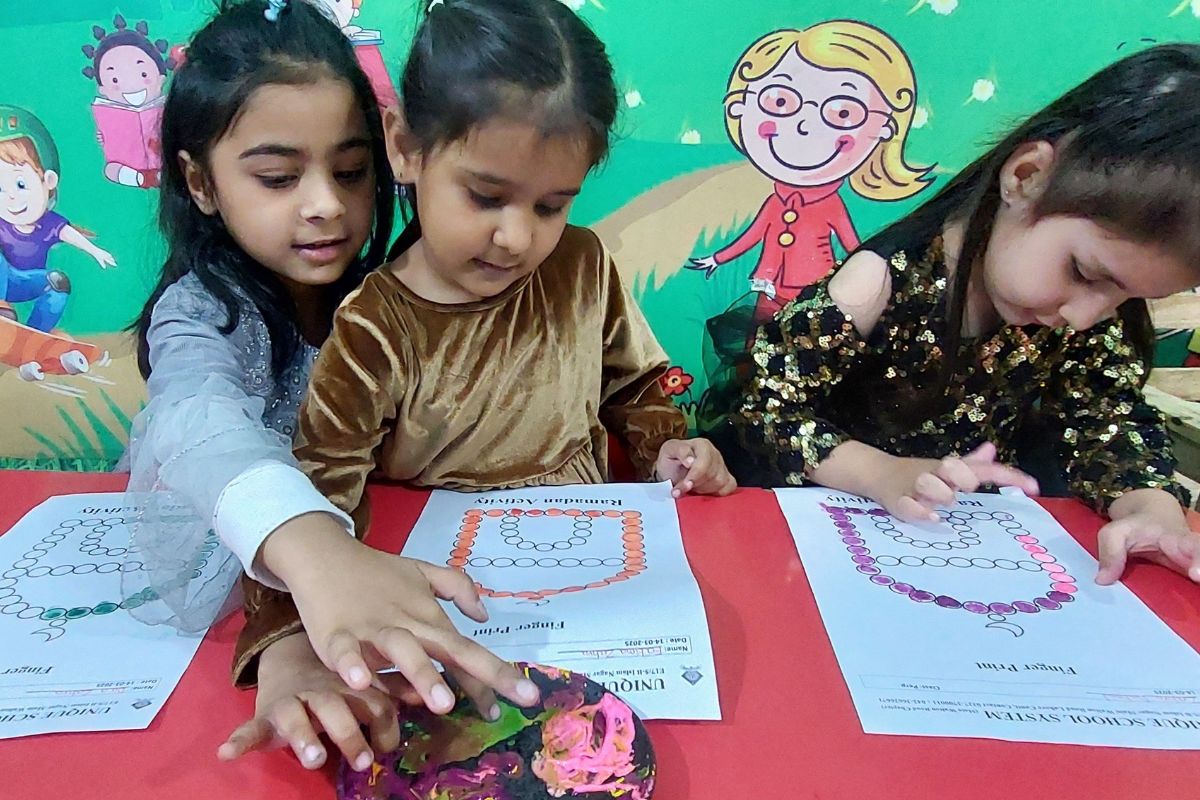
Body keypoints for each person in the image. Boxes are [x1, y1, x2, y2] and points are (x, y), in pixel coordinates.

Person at [223, 0, 736, 772]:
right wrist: (286, 639)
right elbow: (316, 495)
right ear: (406, 147)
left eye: (551, 205)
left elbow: (634, 386)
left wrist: (667, 448)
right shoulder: (376, 325)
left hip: (593, 586)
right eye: (486, 197)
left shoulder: (581, 266)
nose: (518, 236)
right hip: (443, 598)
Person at [122, 0, 532, 773]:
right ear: (200, 181)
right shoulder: (200, 314)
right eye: (278, 177)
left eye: (350, 171)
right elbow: (194, 423)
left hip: (391, 554)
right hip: (244, 585)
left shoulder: (394, 291)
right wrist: (292, 619)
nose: (326, 206)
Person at [708, 43, 1200, 586]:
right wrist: (882, 473)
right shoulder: (876, 285)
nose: (1086, 317)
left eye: (1128, 297)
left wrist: (1153, 511)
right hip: (821, 537)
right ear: (1026, 176)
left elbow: (1104, 421)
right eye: (1083, 272)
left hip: (963, 544)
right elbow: (767, 411)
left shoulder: (1089, 316)